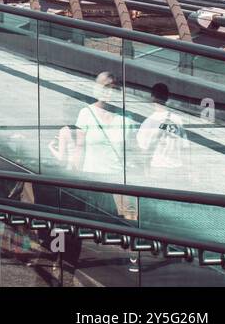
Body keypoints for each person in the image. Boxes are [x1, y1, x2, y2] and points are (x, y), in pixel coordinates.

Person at [74, 71, 140, 271]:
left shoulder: (125, 118)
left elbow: (133, 151)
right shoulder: (86, 113)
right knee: (85, 220)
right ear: (95, 88)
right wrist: (74, 177)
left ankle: (134, 255)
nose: (108, 92)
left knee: (129, 215)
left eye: (113, 88)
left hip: (117, 176)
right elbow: (79, 148)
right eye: (104, 87)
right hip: (91, 176)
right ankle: (76, 259)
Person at [136, 82, 185, 175]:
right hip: (176, 169)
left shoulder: (148, 122)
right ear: (167, 98)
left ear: (152, 98)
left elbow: (143, 149)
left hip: (158, 169)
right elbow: (183, 146)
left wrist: (146, 171)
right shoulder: (178, 120)